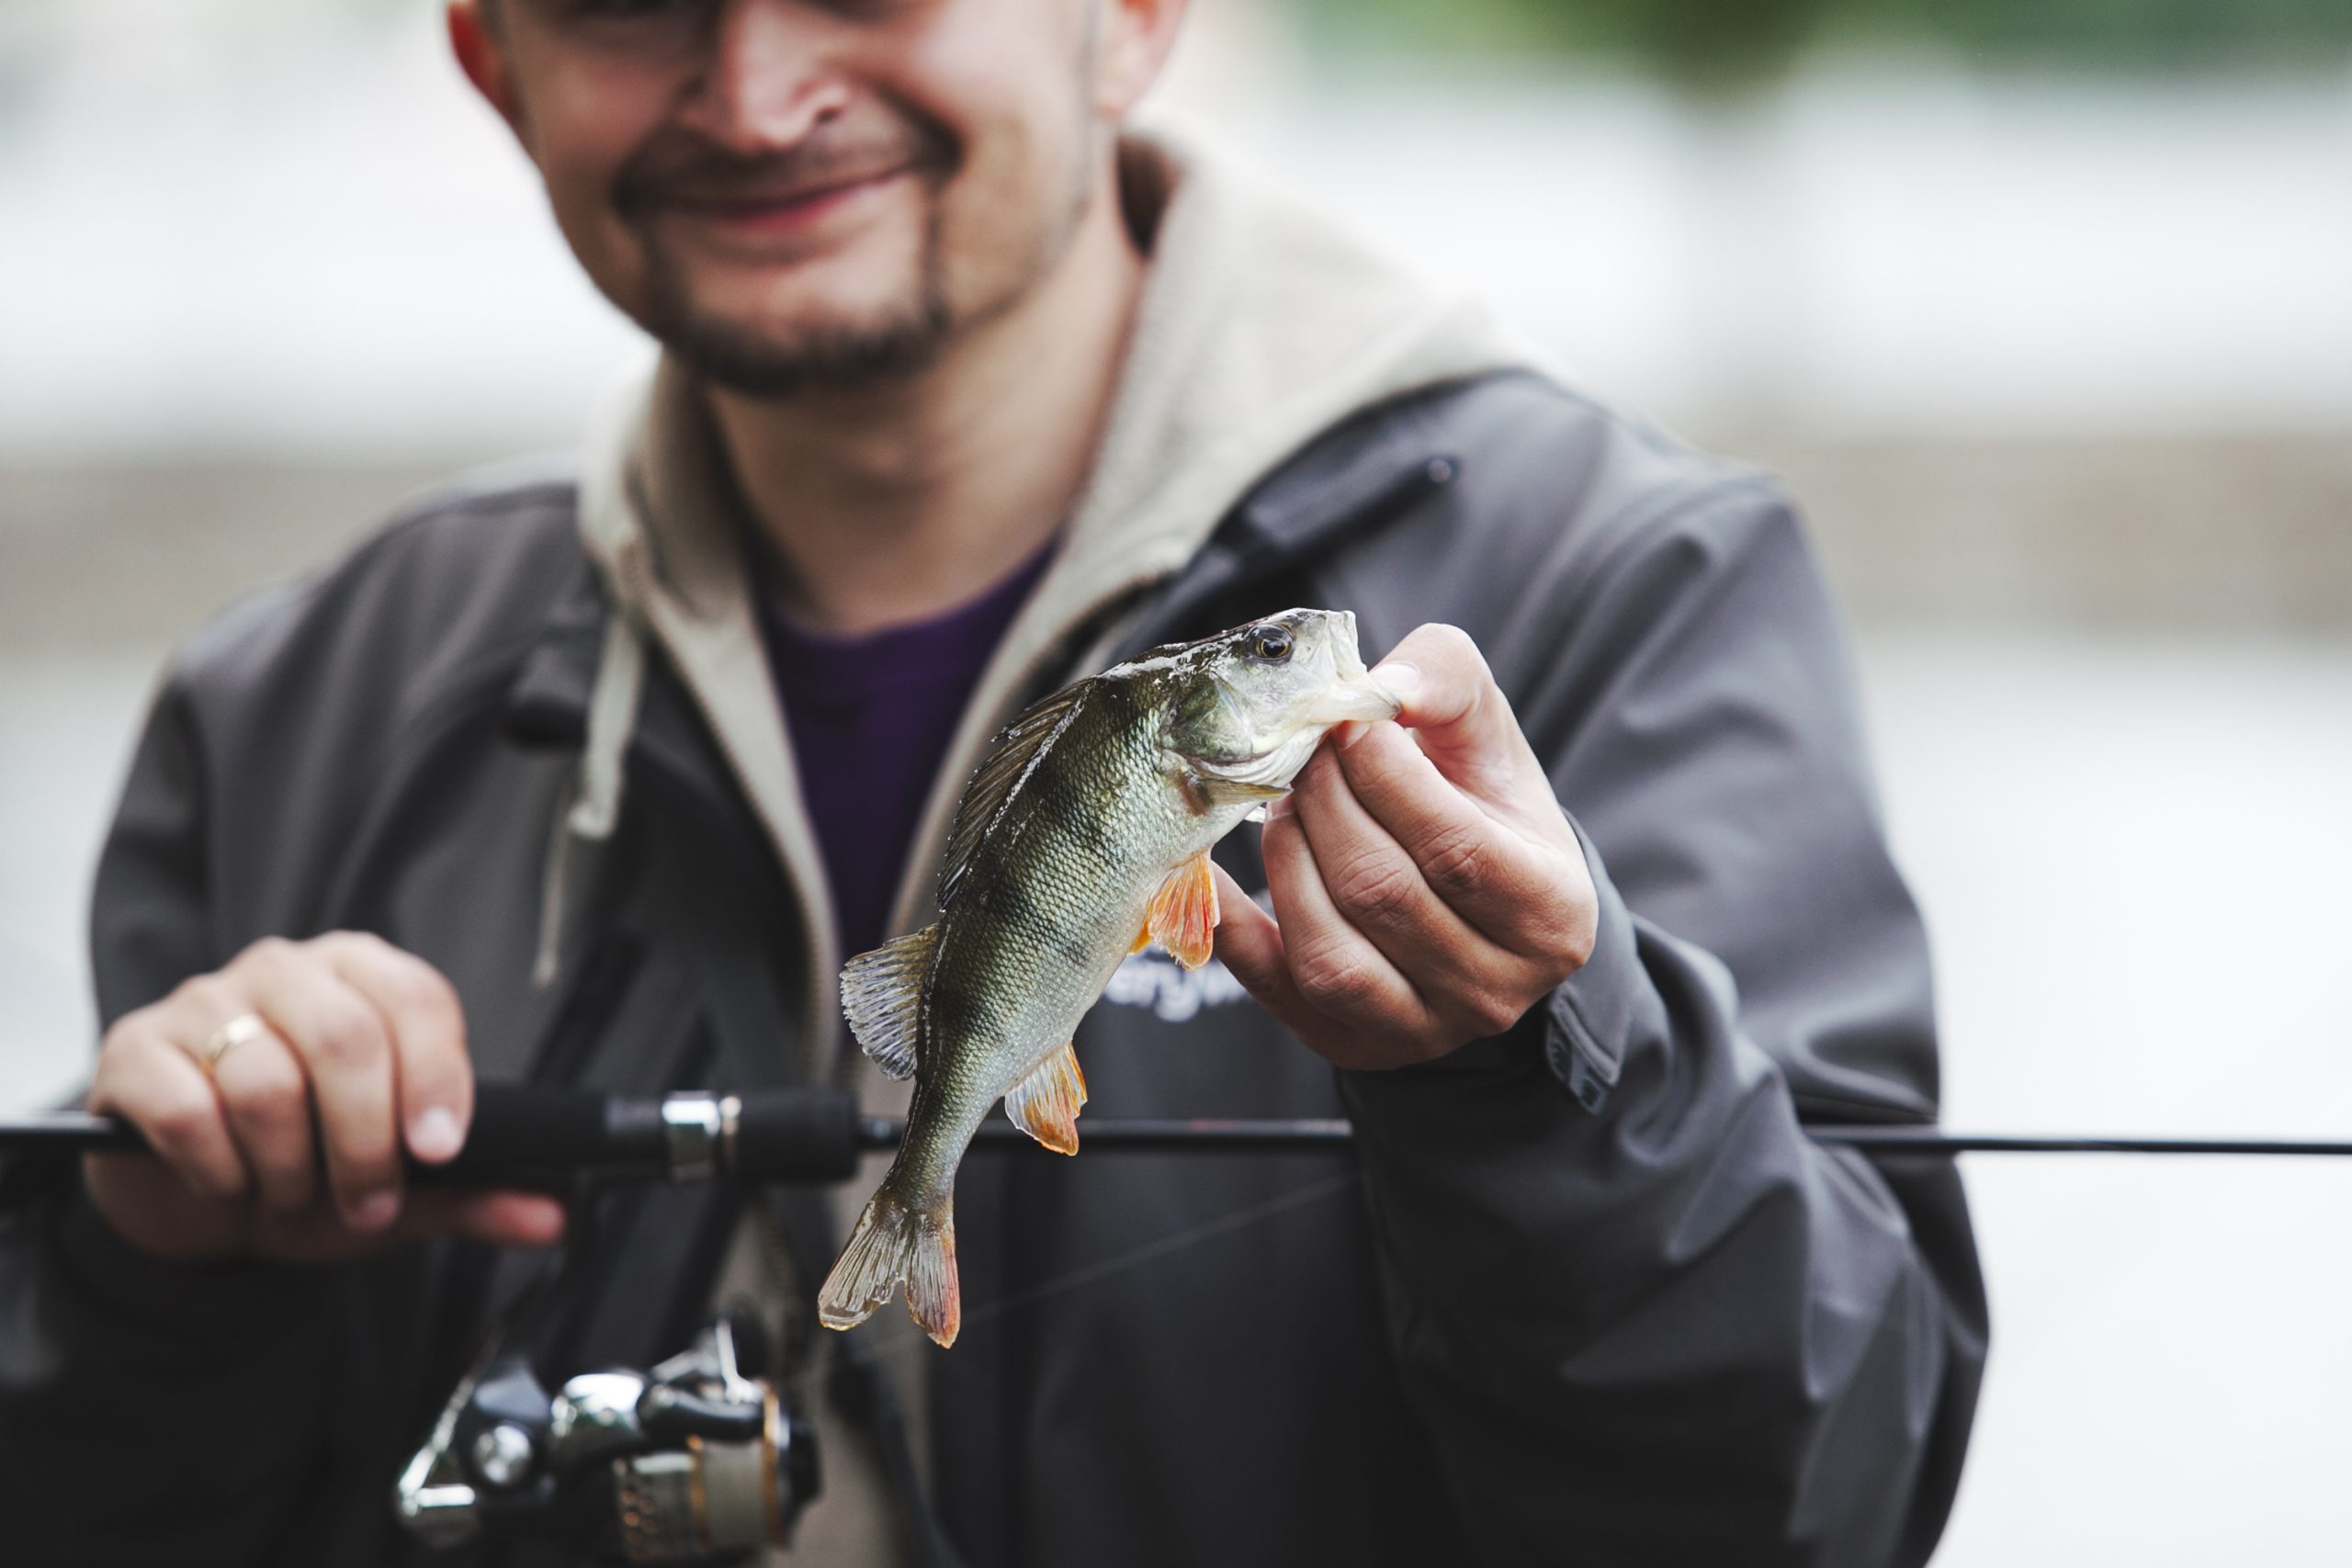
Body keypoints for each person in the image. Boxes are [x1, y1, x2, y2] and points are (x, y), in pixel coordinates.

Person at [0, 1, 1987, 1563]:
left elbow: (1814, 1504)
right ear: (487, 57)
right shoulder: (301, 712)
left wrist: (1542, 1074)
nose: (757, 90)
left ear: (1134, 12)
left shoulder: (1616, 593)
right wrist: (148, 1271)